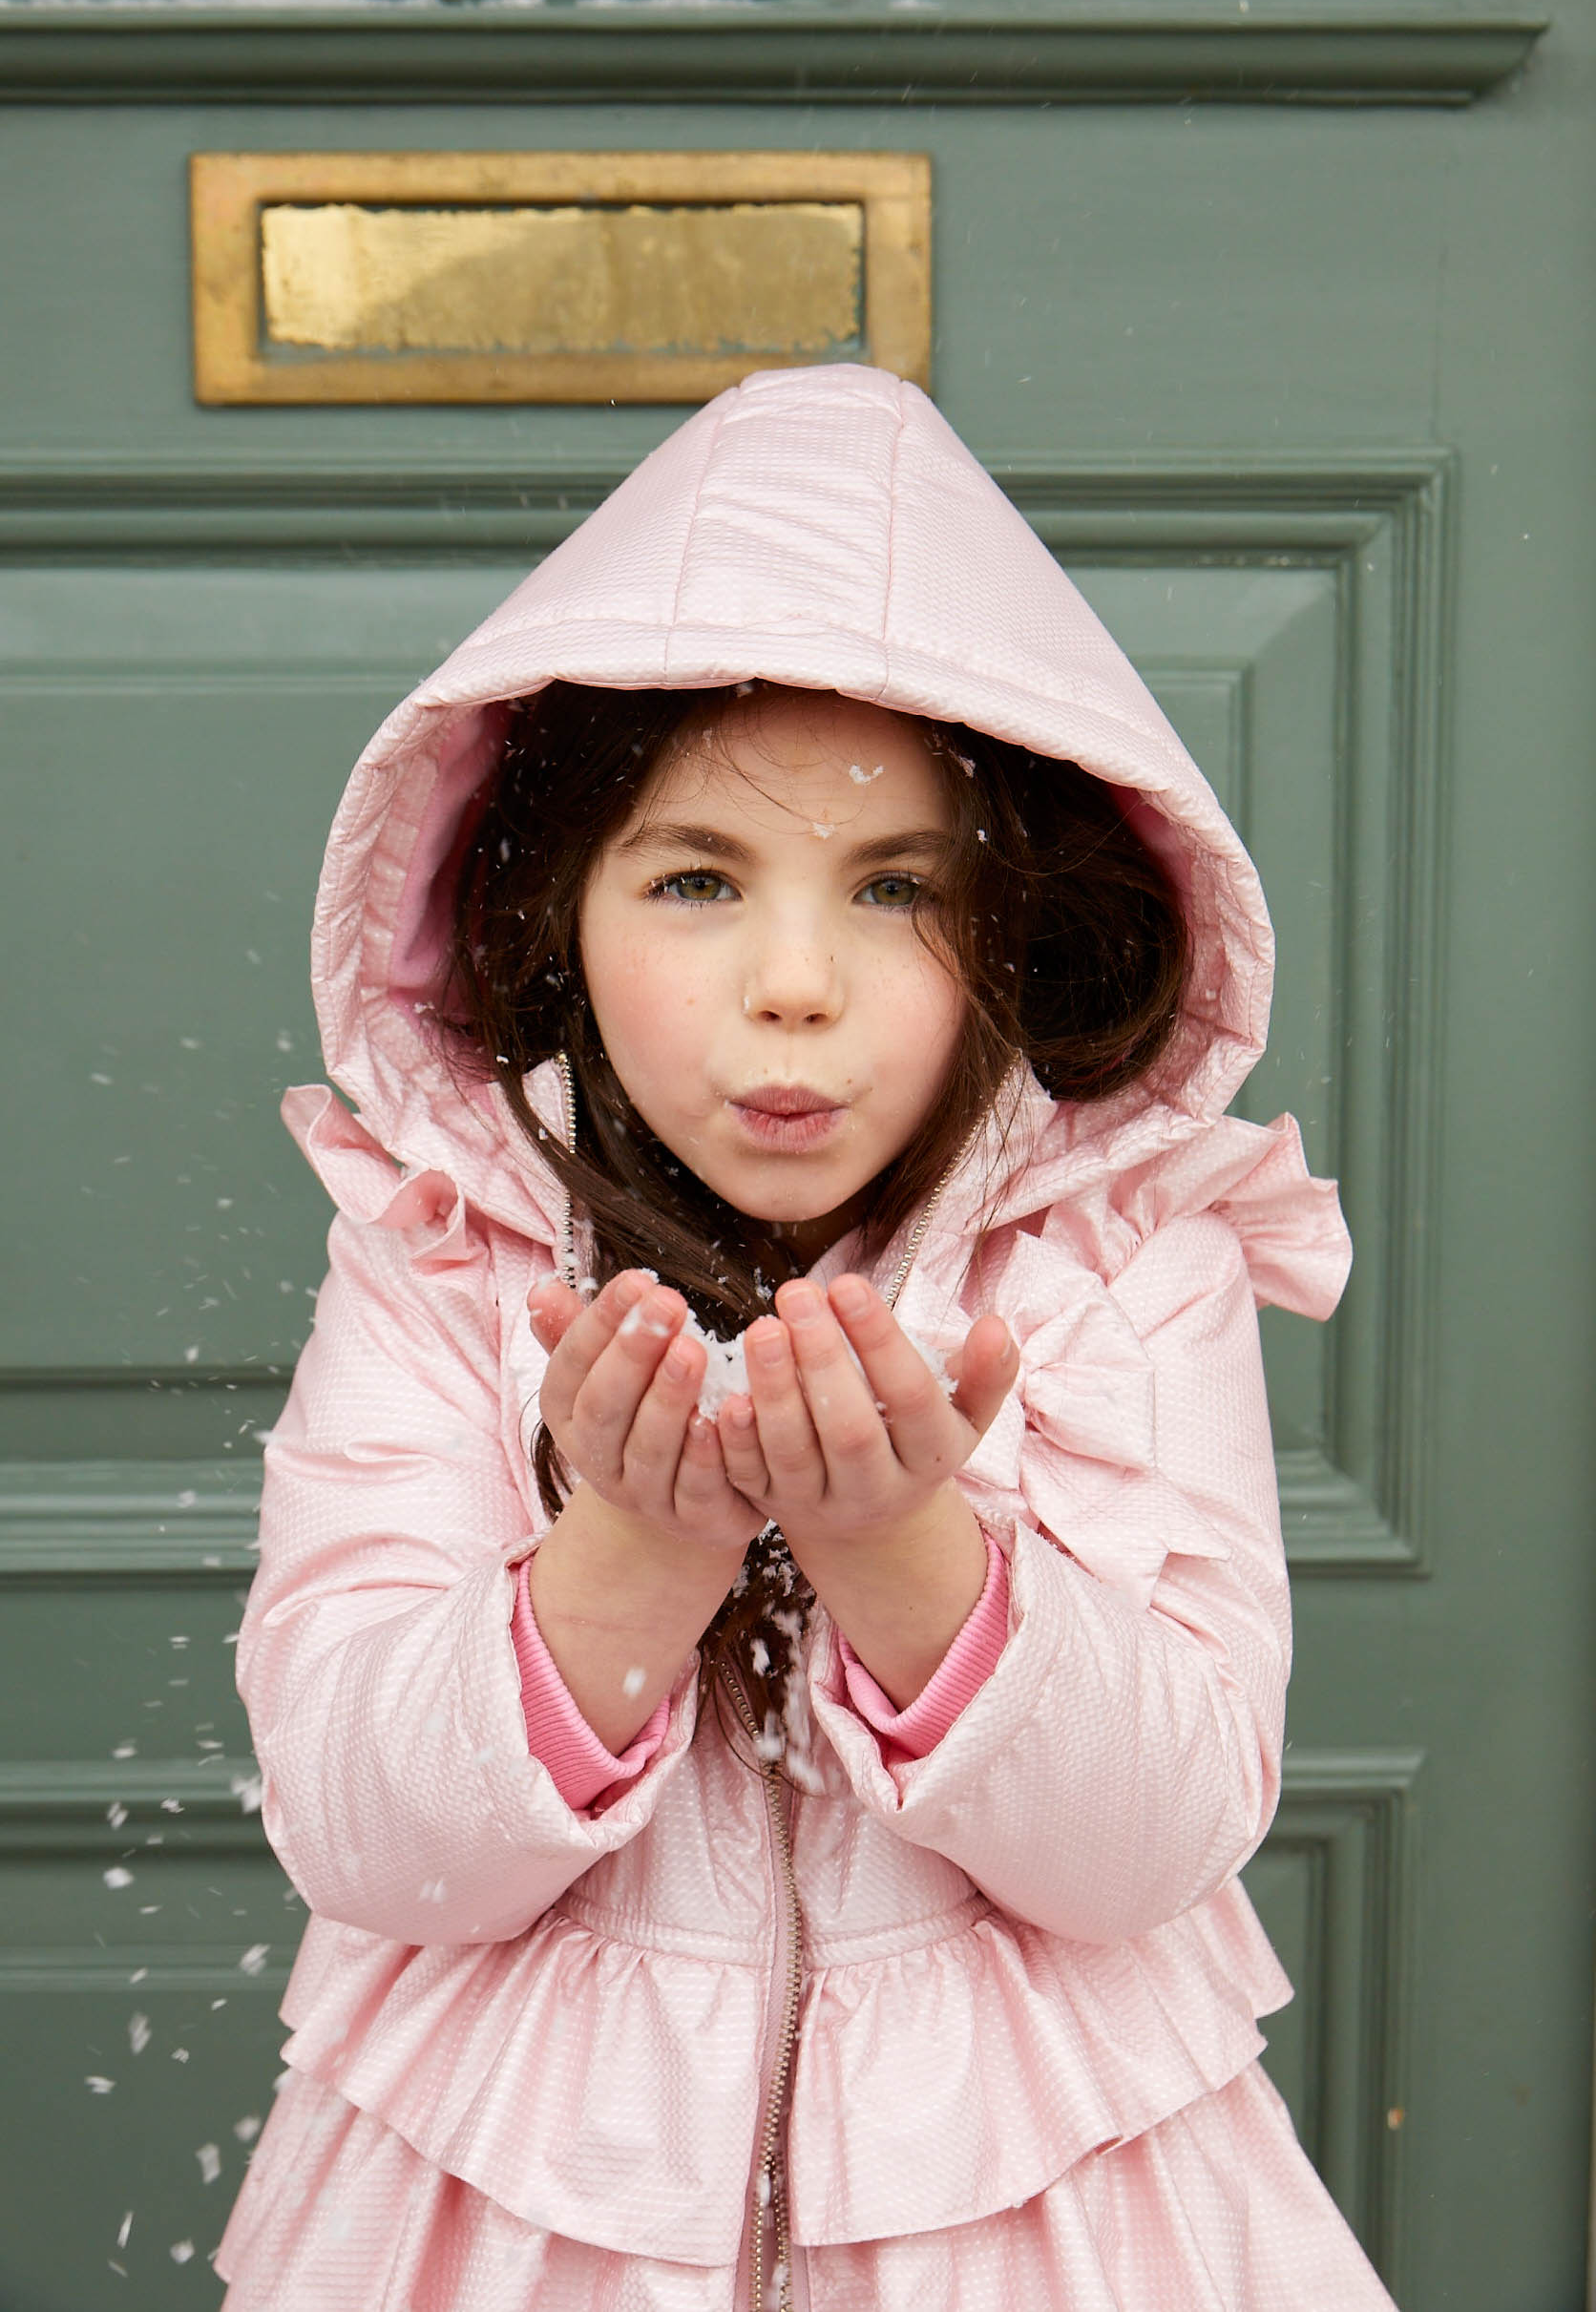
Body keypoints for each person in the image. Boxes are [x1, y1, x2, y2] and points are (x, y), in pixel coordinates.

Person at [215, 363, 1396, 2311]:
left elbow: (1154, 1837)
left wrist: (903, 1558)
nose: (789, 986)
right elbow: (363, 1830)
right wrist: (631, 1553)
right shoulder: (439, 1262)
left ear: (1019, 927)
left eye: (896, 893)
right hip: (510, 2217)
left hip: (1033, 2224)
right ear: (547, 910)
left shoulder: (1113, 1263)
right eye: (694, 882)